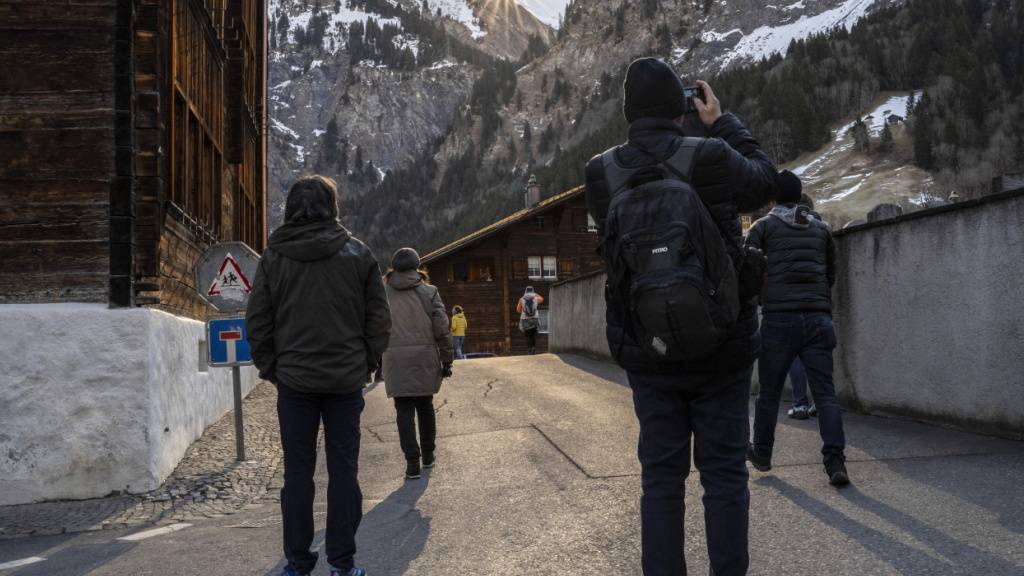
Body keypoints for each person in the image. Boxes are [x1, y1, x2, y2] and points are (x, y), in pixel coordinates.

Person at [585, 57, 776, 576]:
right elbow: (768, 183)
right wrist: (721, 122)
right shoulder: (712, 154)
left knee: (662, 482)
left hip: (649, 351)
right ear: (681, 107)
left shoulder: (600, 172)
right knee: (724, 478)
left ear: (629, 114)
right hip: (723, 346)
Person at [247, 175, 390, 576]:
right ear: (333, 206)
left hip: (294, 383)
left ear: (291, 208)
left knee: (297, 475)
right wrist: (365, 363)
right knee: (344, 471)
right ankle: (343, 565)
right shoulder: (359, 255)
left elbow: (257, 321)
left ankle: (297, 564)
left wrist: (272, 368)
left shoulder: (274, 258)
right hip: (344, 381)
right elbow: (379, 320)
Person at [745, 170, 849, 486]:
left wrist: (762, 298)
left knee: (769, 394)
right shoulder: (821, 230)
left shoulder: (762, 228)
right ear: (800, 195)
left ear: (774, 197)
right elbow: (831, 274)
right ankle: (835, 463)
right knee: (826, 394)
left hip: (779, 319)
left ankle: (762, 455)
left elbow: (748, 272)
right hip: (818, 318)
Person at [382, 248, 454, 480]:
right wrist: (447, 359)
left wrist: (374, 360)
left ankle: (411, 462)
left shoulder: (383, 294)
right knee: (425, 406)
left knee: (403, 410)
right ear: (417, 267)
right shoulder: (430, 292)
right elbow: (442, 328)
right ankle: (428, 455)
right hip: (425, 358)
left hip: (394, 359)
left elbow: (373, 328)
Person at [516, 286, 544, 354]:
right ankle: (533, 348)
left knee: (528, 335)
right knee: (533, 334)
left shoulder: (521, 299)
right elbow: (542, 299)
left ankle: (529, 350)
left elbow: (518, 310)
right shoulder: (536, 298)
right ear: (532, 291)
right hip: (534, 318)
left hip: (525, 319)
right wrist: (535, 294)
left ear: (526, 291)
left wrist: (524, 311)